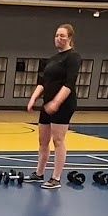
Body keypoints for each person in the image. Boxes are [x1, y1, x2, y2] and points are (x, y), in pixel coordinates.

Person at [26, 23, 82, 189]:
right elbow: (42, 82)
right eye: (57, 35)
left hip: (64, 105)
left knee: (58, 140)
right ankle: (39, 173)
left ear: (70, 38)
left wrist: (56, 102)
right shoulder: (51, 60)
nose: (59, 38)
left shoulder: (73, 57)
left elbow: (69, 83)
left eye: (62, 36)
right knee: (43, 141)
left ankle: (56, 178)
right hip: (47, 104)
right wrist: (33, 99)